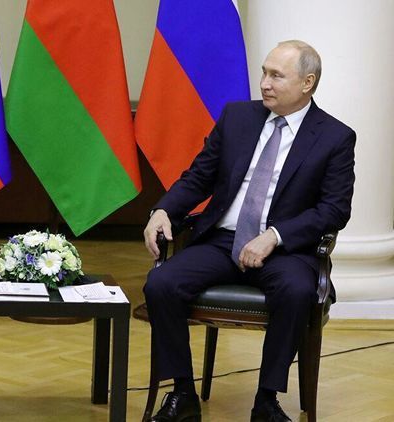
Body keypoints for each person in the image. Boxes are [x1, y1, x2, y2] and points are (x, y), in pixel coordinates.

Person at [142, 40, 355, 422]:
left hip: (284, 249)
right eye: (264, 72)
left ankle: (266, 401)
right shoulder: (237, 117)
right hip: (222, 240)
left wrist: (275, 235)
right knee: (161, 284)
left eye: (277, 76)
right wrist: (163, 210)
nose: (265, 83)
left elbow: (334, 210)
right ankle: (183, 393)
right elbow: (199, 177)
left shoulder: (335, 137)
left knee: (297, 291)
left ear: (307, 83)